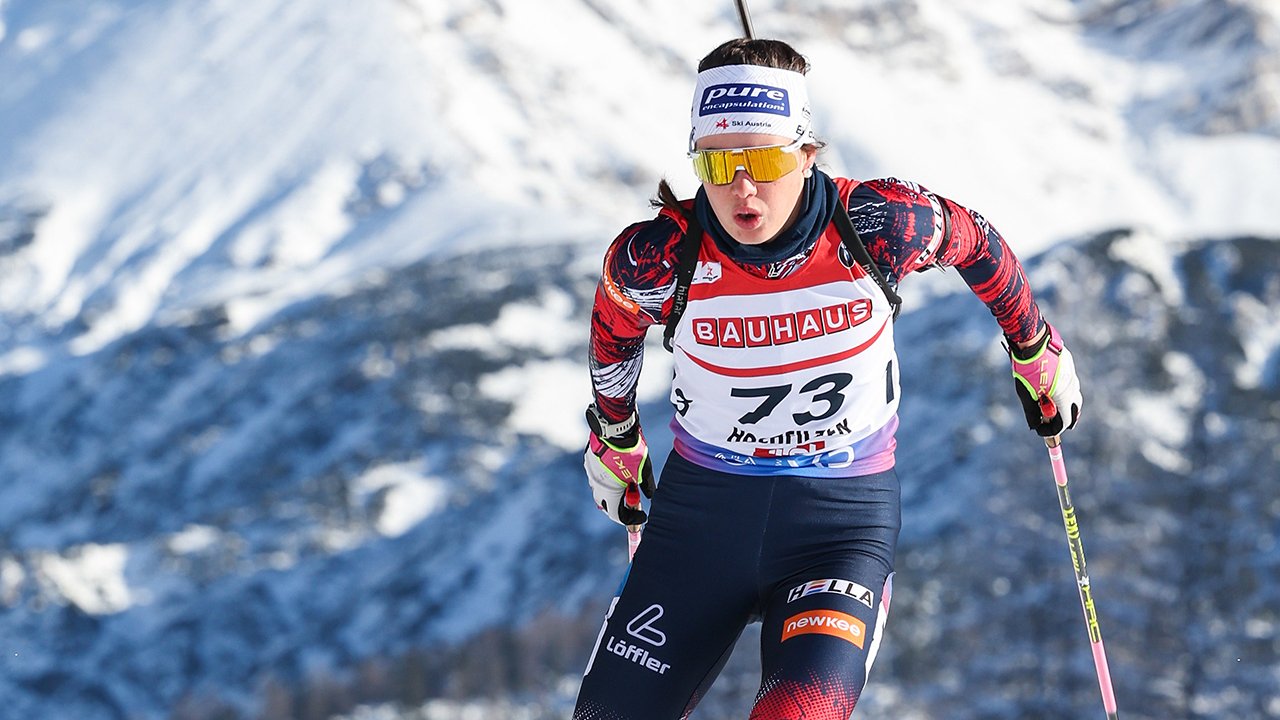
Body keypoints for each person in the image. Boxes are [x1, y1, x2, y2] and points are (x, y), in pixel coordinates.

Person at [575, 38, 1082, 720]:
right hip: (701, 524)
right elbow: (614, 328)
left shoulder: (878, 225)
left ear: (807, 152)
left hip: (837, 527)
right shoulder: (661, 255)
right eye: (717, 164)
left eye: (765, 160)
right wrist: (615, 433)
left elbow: (979, 245)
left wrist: (1034, 347)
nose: (742, 188)